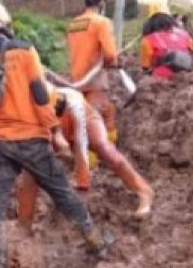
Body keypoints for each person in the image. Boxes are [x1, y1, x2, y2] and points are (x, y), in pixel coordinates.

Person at [0, 1, 109, 268]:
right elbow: (41, 93)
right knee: (63, 193)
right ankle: (95, 242)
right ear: (7, 26)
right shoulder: (26, 51)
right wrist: (54, 131)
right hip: (33, 140)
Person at [17, 84, 153, 222]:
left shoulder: (73, 104)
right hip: (52, 130)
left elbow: (81, 143)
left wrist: (83, 185)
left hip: (85, 120)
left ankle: (143, 191)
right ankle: (24, 225)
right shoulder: (28, 111)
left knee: (104, 148)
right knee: (31, 172)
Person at [65, 0, 120, 140]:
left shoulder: (74, 24)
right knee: (106, 114)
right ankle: (106, 156)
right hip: (94, 81)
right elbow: (110, 55)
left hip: (77, 81)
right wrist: (114, 63)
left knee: (83, 121)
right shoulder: (101, 22)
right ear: (102, 1)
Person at [139, 3, 193, 81]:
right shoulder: (185, 35)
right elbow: (191, 51)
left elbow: (145, 67)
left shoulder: (147, 40)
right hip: (187, 76)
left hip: (161, 79)